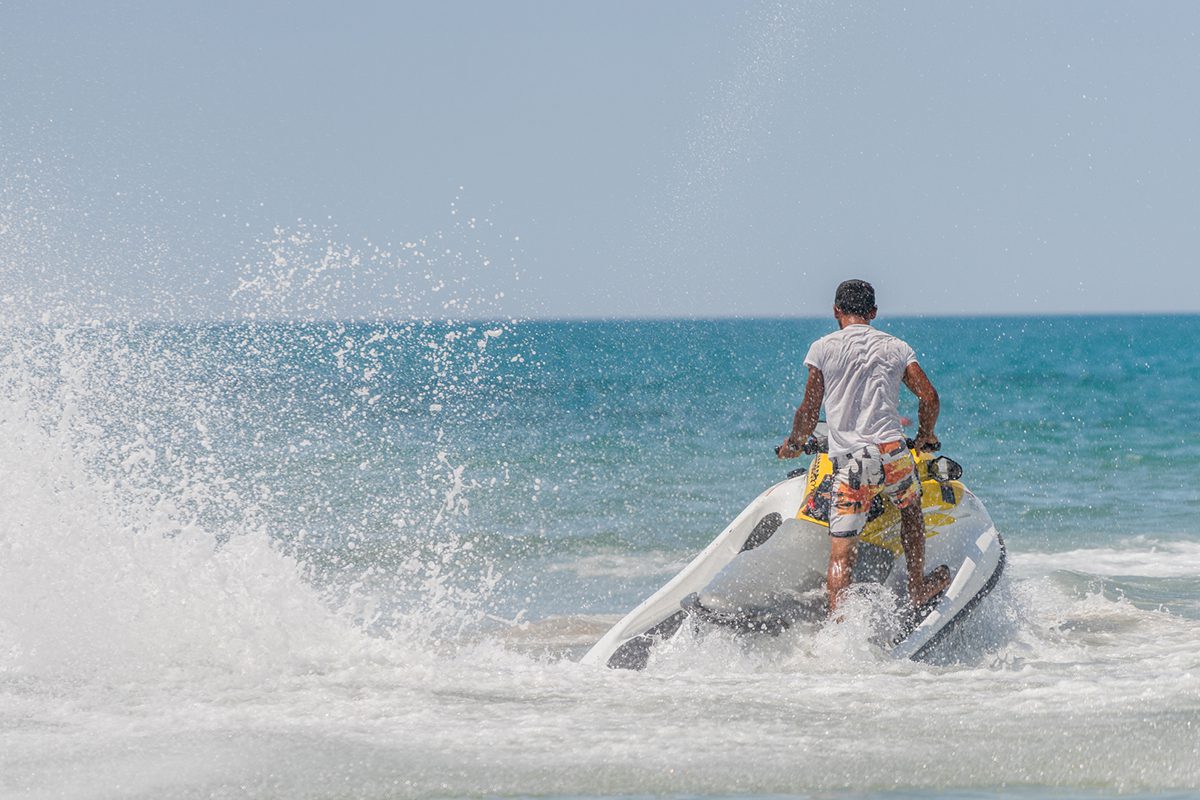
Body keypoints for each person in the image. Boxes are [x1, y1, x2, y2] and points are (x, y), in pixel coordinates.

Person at [777, 279, 950, 612]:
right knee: (911, 513)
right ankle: (917, 587)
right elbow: (929, 397)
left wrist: (796, 443)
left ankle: (840, 625)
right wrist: (926, 434)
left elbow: (809, 410)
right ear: (873, 312)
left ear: (836, 311)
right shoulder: (897, 347)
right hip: (893, 452)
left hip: (854, 463)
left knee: (841, 551)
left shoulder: (823, 348)